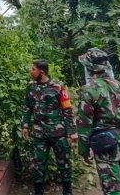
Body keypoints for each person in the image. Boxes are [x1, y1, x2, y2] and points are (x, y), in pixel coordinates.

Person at [77, 48, 120, 195]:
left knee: (112, 188)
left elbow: (84, 123)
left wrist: (83, 150)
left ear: (89, 68)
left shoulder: (88, 90)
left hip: (105, 142)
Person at [21, 59, 78, 195]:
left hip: (58, 133)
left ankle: (67, 191)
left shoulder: (58, 87)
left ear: (42, 72)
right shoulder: (31, 87)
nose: (31, 71)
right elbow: (27, 106)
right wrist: (25, 125)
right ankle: (38, 191)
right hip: (39, 133)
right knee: (37, 164)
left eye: (33, 69)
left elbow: (68, 111)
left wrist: (72, 132)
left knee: (64, 163)